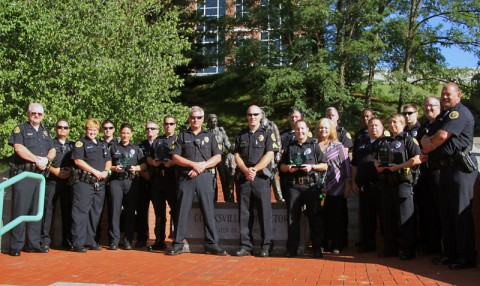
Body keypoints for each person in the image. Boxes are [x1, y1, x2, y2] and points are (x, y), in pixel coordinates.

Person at [422, 83, 477, 270]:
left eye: (448, 94)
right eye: (442, 94)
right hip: (445, 170)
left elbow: (441, 136)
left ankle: (465, 257)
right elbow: (426, 136)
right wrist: (428, 141)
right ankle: (450, 253)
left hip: (459, 170)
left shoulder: (458, 113)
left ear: (458, 95)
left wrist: (429, 143)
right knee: (446, 215)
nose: (444, 97)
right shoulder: (445, 115)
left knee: (461, 215)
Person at [167, 106, 226, 256]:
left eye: (199, 117)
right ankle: (178, 243)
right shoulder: (182, 136)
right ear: (189, 118)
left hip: (205, 177)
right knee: (181, 211)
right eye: (193, 117)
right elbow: (175, 157)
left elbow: (218, 157)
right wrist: (193, 165)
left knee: (208, 211)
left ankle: (212, 244)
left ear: (203, 119)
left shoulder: (210, 136)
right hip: (186, 177)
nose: (196, 120)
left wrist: (201, 166)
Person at [8, 103, 55, 256]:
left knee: (36, 210)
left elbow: (53, 149)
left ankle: (33, 243)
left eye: (39, 114)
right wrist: (36, 159)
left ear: (43, 116)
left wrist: (47, 159)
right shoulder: (20, 129)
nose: (36, 116)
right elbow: (18, 148)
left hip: (39, 175)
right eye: (33, 113)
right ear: (28, 114)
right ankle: (16, 245)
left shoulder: (45, 132)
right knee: (20, 209)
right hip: (25, 174)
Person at [233, 105, 278, 257]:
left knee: (264, 212)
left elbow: (270, 154)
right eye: (250, 114)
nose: (252, 117)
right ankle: (246, 246)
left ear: (261, 116)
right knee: (244, 213)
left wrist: (255, 169)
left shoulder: (267, 133)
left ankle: (266, 246)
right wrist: (246, 170)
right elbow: (237, 155)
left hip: (260, 178)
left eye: (255, 114)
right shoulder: (241, 135)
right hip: (244, 178)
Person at [374, 114, 421, 260]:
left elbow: (418, 158)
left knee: (405, 218)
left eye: (395, 122)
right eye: (390, 122)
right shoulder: (383, 141)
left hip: (402, 183)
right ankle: (391, 248)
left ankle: (408, 250)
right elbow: (375, 159)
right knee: (388, 218)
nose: (392, 125)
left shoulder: (408, 140)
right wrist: (378, 167)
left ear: (402, 123)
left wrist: (399, 167)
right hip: (386, 183)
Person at [280, 120, 328, 258]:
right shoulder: (290, 147)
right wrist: (288, 168)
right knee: (292, 218)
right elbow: (281, 167)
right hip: (294, 186)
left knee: (315, 217)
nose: (300, 132)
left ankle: (317, 248)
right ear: (294, 130)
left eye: (302, 129)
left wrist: (312, 167)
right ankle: (292, 249)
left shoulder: (314, 145)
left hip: (310, 186)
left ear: (307, 129)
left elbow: (324, 165)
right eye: (297, 129)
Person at [71, 118, 112, 253]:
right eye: (90, 129)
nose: (92, 132)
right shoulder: (80, 143)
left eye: (94, 129)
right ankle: (78, 242)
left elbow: (108, 160)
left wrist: (106, 171)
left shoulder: (102, 144)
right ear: (86, 130)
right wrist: (95, 171)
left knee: (95, 213)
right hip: (84, 182)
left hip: (99, 184)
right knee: (81, 212)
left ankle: (90, 240)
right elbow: (78, 161)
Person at [108, 123, 146, 250]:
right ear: (119, 133)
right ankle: (114, 240)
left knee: (130, 211)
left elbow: (144, 165)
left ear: (132, 134)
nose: (125, 135)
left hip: (131, 182)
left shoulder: (136, 148)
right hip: (116, 181)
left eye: (128, 133)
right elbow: (106, 164)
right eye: (123, 132)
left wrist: (136, 168)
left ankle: (128, 240)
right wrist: (114, 168)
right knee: (115, 210)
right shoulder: (113, 147)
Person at [316, 118, 352, 254]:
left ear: (331, 129)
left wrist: (348, 184)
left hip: (337, 186)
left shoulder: (338, 146)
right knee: (322, 217)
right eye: (320, 128)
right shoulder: (314, 145)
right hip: (319, 187)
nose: (323, 130)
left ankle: (338, 244)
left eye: (326, 128)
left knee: (337, 217)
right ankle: (323, 243)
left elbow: (346, 166)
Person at [351, 117, 384, 253]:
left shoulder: (386, 143)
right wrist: (353, 181)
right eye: (371, 126)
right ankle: (368, 244)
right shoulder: (361, 144)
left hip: (381, 186)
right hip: (364, 186)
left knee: (385, 217)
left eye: (376, 125)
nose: (373, 128)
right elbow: (354, 164)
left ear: (382, 128)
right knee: (366, 217)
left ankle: (389, 245)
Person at [41, 119, 74, 250]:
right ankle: (44, 241)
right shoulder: (49, 143)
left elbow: (77, 161)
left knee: (68, 212)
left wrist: (69, 172)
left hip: (68, 182)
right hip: (52, 181)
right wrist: (55, 171)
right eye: (60, 127)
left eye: (65, 127)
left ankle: (67, 241)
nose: (62, 129)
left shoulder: (73, 145)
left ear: (69, 130)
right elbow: (44, 161)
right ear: (56, 129)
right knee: (48, 211)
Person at [415, 97, 442, 255]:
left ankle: (444, 247)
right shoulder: (423, 127)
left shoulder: (443, 124)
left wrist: (427, 143)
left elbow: (432, 146)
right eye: (426, 106)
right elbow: (422, 148)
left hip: (438, 172)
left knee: (440, 211)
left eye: (432, 106)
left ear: (439, 107)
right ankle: (432, 246)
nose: (429, 109)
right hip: (424, 173)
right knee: (427, 211)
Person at [148, 116, 178, 250]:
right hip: (158, 179)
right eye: (166, 124)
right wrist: (152, 162)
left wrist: (172, 163)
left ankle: (177, 239)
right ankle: (159, 240)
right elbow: (148, 156)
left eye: (171, 124)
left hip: (172, 180)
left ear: (175, 125)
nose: (168, 126)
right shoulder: (157, 140)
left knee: (176, 210)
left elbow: (184, 157)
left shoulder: (179, 140)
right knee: (159, 212)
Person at [135, 121, 160, 248]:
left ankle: (159, 239)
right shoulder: (140, 146)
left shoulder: (162, 143)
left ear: (157, 130)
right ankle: (141, 238)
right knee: (141, 211)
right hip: (143, 182)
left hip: (157, 182)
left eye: (152, 128)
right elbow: (136, 163)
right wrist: (143, 174)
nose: (149, 130)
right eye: (147, 129)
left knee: (159, 211)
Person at [207, 114, 234, 202]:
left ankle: (229, 200)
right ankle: (213, 201)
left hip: (220, 157)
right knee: (212, 180)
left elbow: (227, 143)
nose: (214, 122)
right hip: (210, 159)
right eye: (212, 121)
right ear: (208, 122)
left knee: (225, 179)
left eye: (215, 120)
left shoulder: (221, 131)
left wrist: (232, 148)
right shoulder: (206, 133)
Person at [260, 109, 284, 203]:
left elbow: (278, 140)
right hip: (261, 157)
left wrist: (278, 154)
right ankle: (264, 199)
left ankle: (279, 197)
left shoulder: (271, 125)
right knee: (264, 177)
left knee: (274, 176)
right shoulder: (256, 126)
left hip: (272, 155)